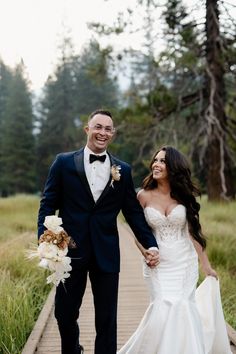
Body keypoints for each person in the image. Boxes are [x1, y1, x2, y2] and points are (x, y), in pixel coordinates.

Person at [37, 109, 159, 354]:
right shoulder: (63, 163)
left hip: (107, 253)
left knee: (107, 318)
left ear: (112, 134)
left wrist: (151, 244)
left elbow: (133, 213)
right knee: (64, 312)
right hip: (68, 252)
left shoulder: (122, 170)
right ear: (87, 129)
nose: (103, 133)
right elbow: (48, 203)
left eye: (108, 129)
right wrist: (46, 242)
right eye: (98, 127)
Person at [118, 146, 232, 354]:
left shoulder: (183, 196)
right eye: (155, 160)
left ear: (173, 167)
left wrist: (206, 266)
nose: (156, 164)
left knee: (182, 306)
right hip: (157, 263)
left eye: (162, 161)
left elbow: (193, 232)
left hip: (183, 261)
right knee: (161, 306)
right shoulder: (143, 196)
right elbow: (137, 231)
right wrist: (146, 252)